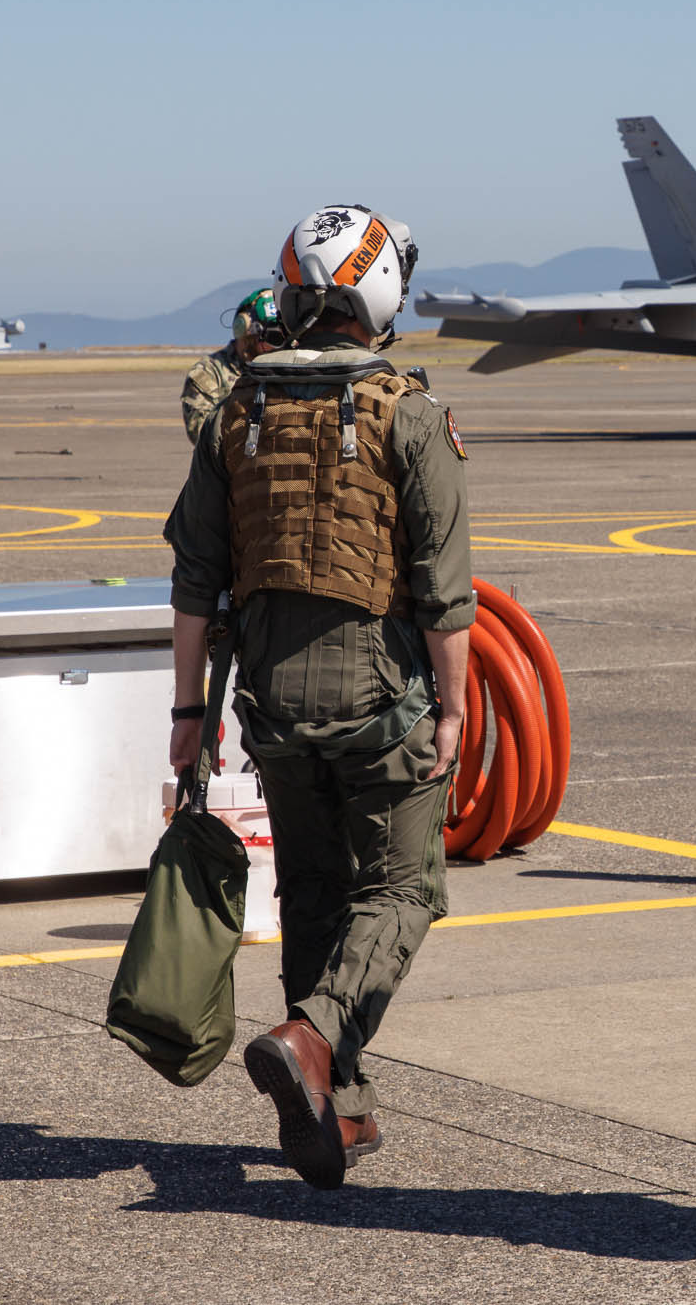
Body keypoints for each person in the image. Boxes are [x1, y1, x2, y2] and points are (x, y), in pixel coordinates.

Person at [164, 205, 473, 1190]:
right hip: (381, 701)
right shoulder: (408, 413)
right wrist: (458, 708)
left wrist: (186, 718)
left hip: (270, 707)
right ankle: (311, 1042)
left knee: (312, 894)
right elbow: (442, 589)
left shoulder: (232, 412)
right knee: (403, 887)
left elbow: (193, 579)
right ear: (379, 292)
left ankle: (336, 1114)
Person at [180, 288, 280, 443]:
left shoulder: (284, 370)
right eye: (274, 336)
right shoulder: (209, 374)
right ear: (247, 332)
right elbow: (204, 437)